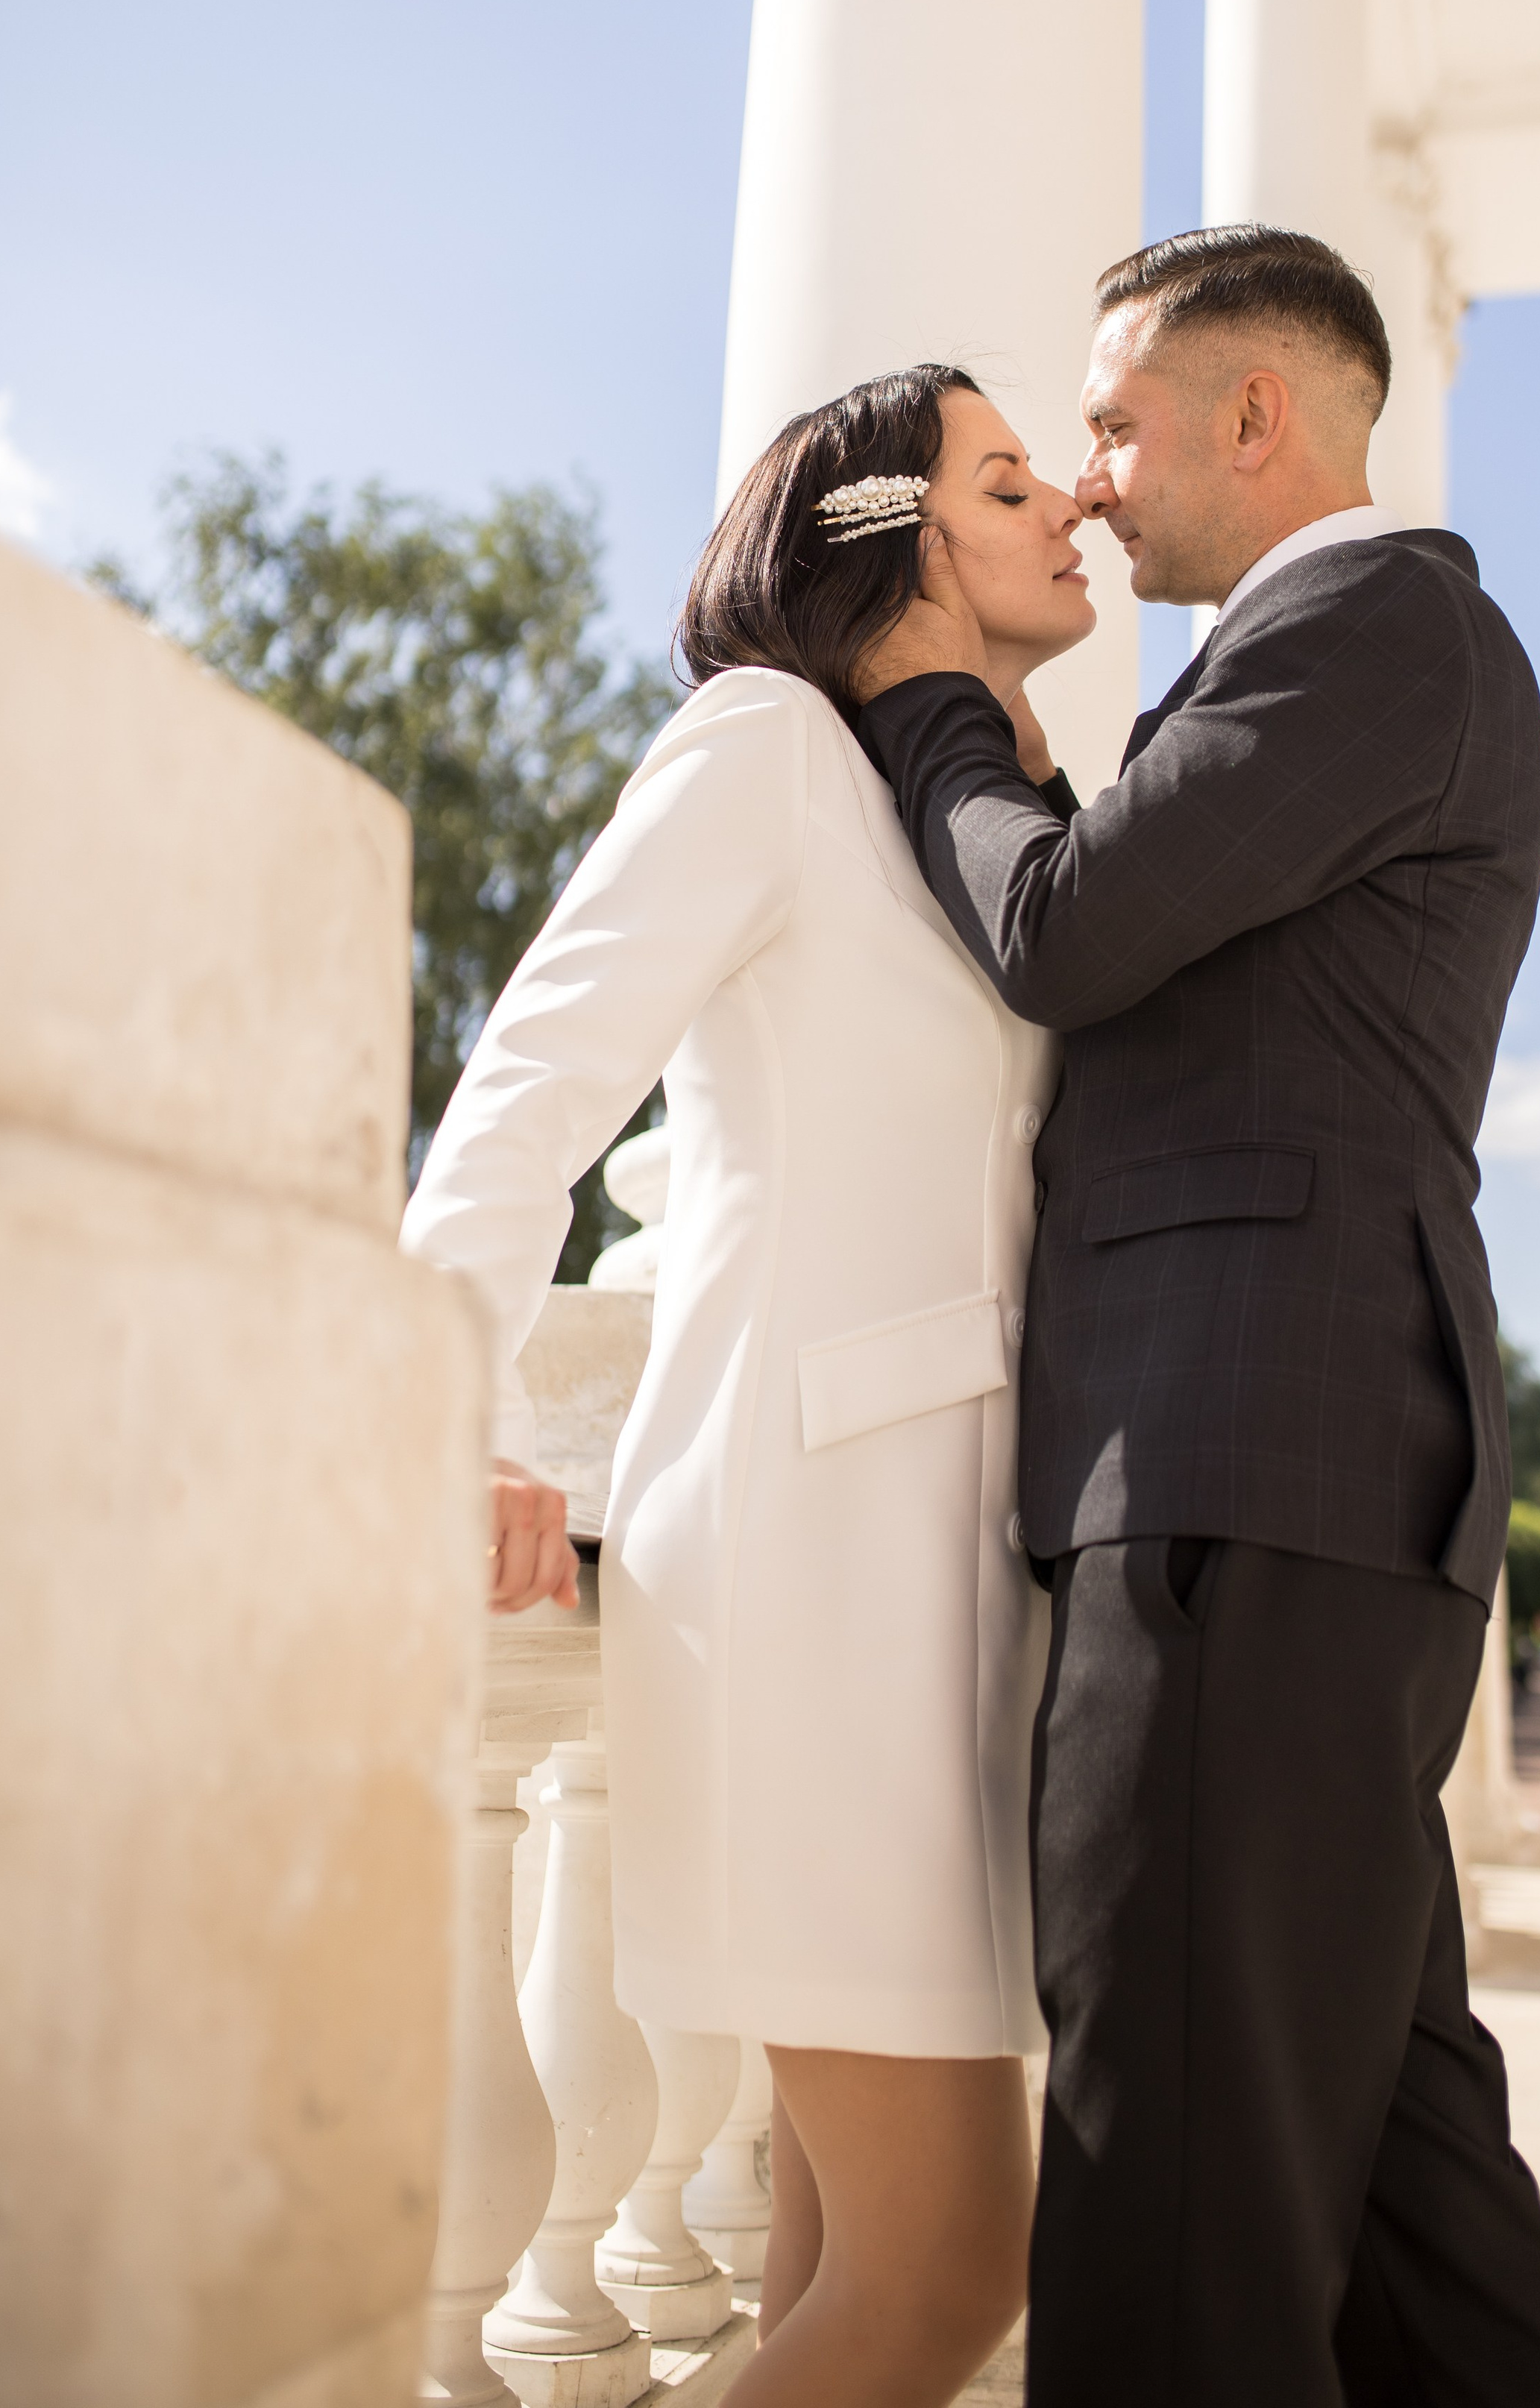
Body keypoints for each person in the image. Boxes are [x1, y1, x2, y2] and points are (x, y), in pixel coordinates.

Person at [855, 225, 1540, 2404]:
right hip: (1291, 1473)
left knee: (1168, 2198)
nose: (1086, 478)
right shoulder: (1346, 652)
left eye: (1107, 422)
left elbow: (1071, 927)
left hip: (1235, 1464)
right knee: (1391, 2182)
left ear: (1251, 413)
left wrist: (920, 710)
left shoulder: (1373, 625)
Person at [400, 363, 1095, 2408]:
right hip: (807, 1584)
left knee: (831, 2280)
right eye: (1004, 477)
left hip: (947, 1590)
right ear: (890, 535)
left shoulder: (952, 809)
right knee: (951, 2273)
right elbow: (528, 1085)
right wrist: (465, 1422)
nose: (1062, 503)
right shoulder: (763, 747)